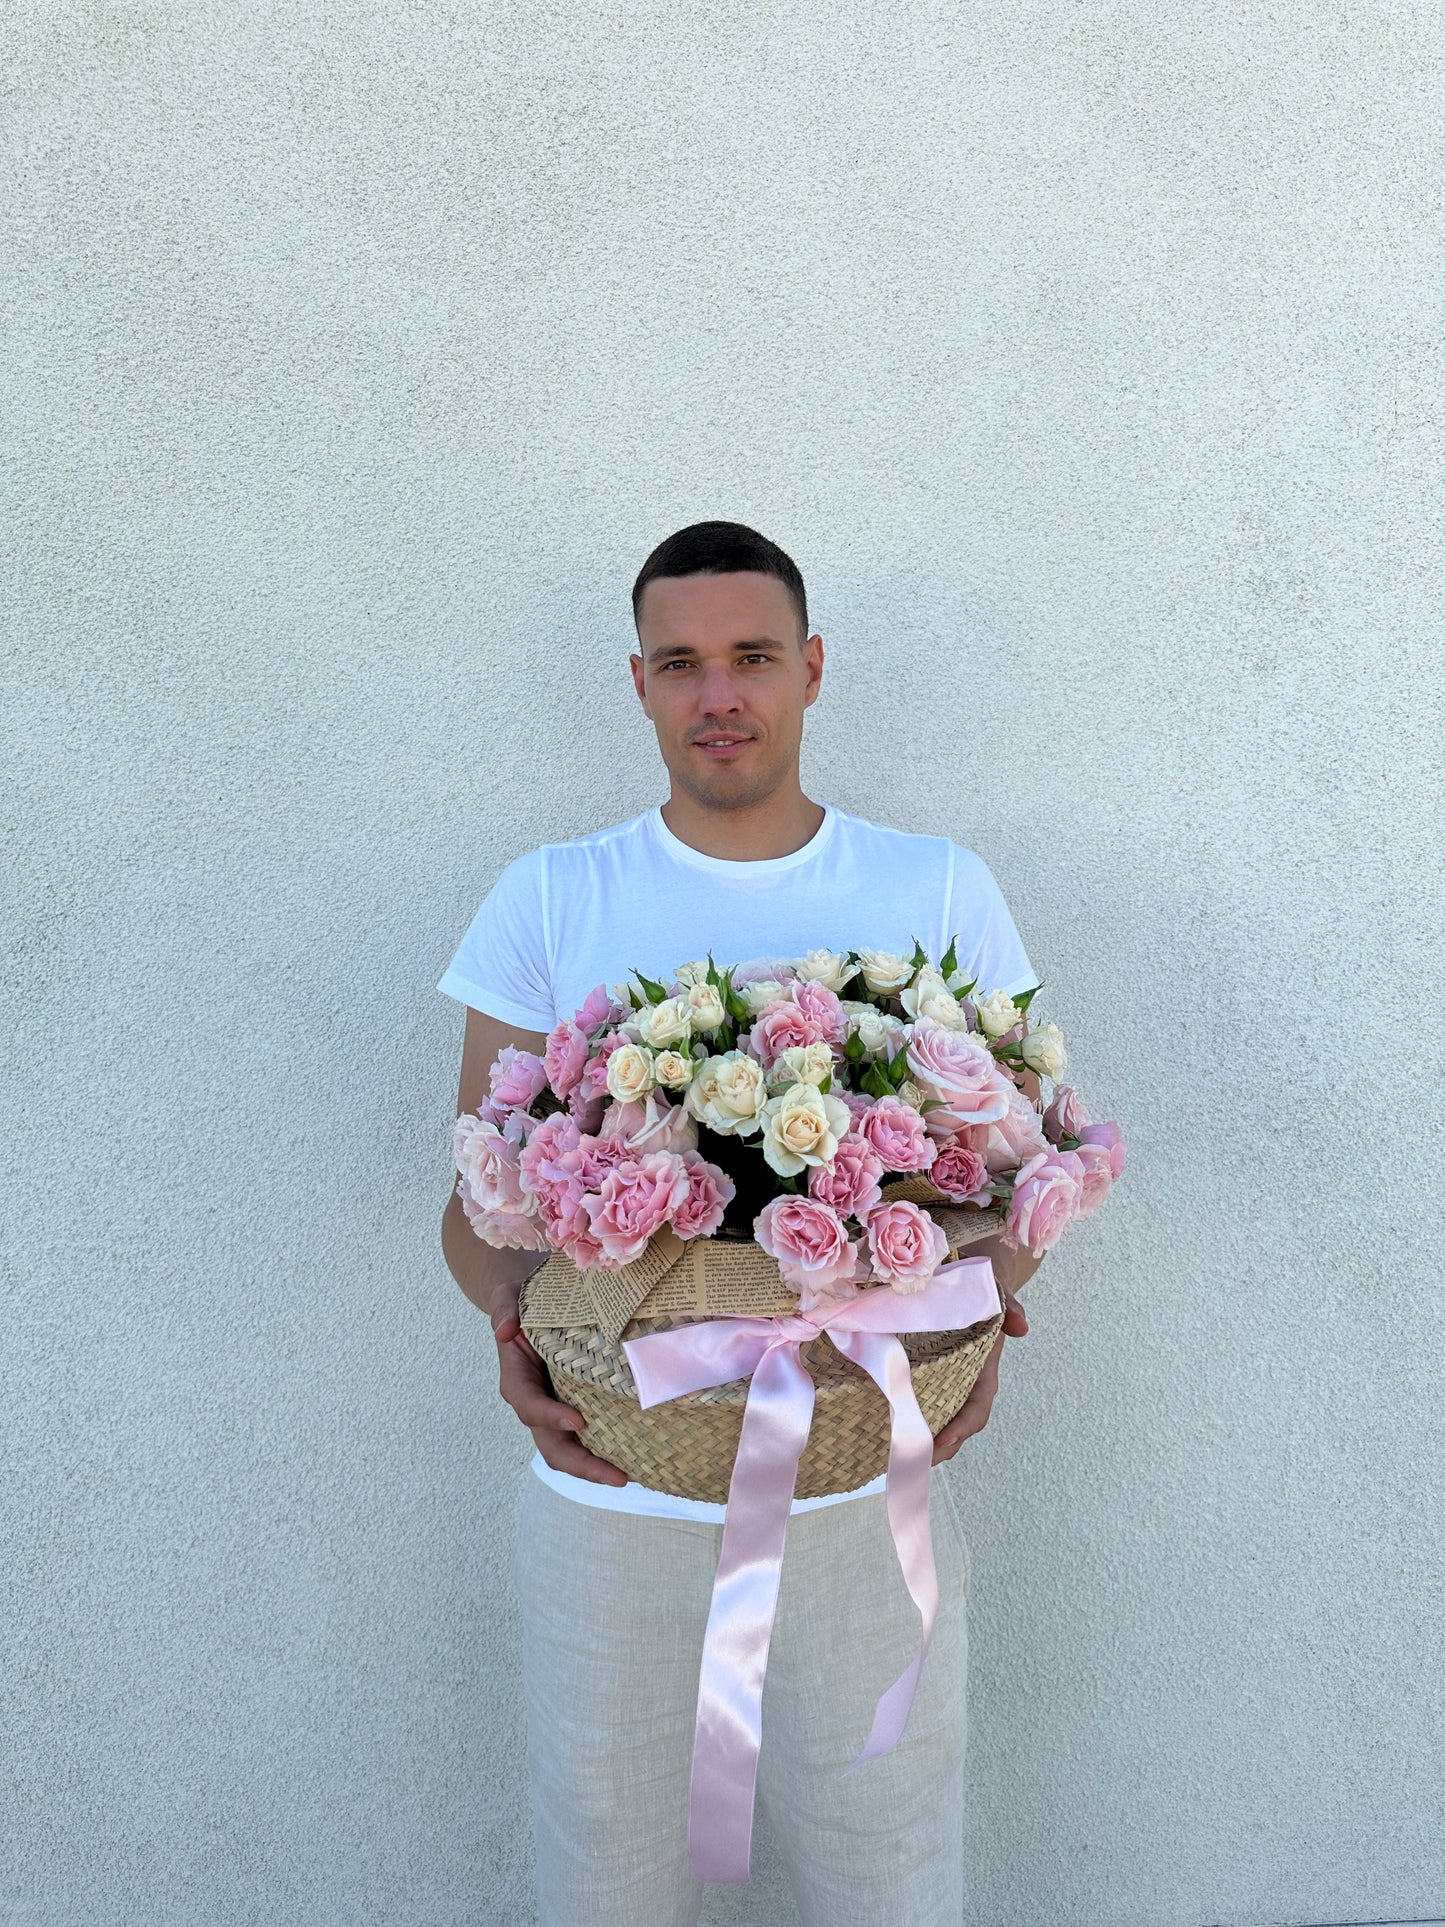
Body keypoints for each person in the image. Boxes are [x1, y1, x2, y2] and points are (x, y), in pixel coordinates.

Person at [438, 521, 1046, 1927]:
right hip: (615, 1487)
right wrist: (506, 1321)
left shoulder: (936, 890)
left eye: (753, 657)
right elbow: (477, 1211)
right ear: (638, 683)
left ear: (812, 670)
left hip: (856, 1482)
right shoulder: (551, 897)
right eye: (681, 663)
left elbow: (1019, 1177)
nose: (720, 694)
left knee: (888, 1870)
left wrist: (977, 1322)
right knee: (605, 1874)